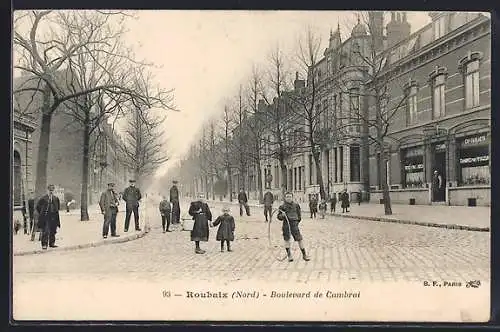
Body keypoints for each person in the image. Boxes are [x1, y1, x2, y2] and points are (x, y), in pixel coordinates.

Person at [277, 192, 310, 262]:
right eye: (287, 197)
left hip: (294, 225)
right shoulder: (282, 207)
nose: (288, 198)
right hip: (286, 225)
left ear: (292, 197)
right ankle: (289, 256)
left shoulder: (296, 205)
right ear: (285, 198)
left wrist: (296, 222)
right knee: (287, 240)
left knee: (299, 239)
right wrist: (282, 216)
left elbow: (299, 216)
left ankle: (304, 255)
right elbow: (279, 217)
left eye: (290, 197)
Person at [35, 184, 61, 249]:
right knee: (45, 230)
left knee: (53, 230)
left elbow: (58, 207)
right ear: (47, 190)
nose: (51, 191)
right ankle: (44, 244)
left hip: (54, 217)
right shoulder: (43, 198)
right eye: (50, 190)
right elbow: (38, 206)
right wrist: (42, 213)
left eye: (52, 190)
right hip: (46, 217)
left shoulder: (56, 198)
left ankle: (52, 243)